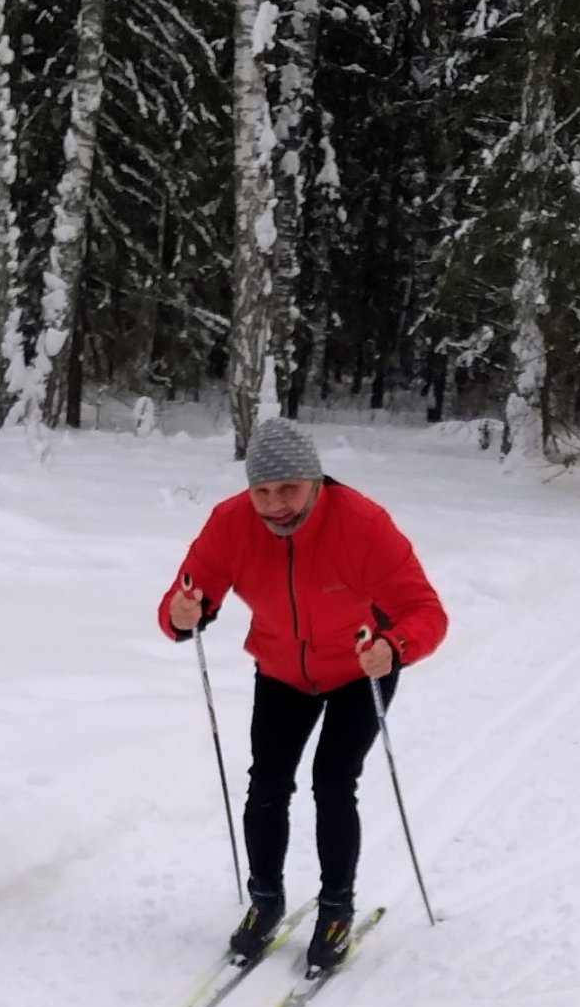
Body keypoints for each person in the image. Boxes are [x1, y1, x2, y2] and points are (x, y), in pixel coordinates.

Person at [158, 416, 447, 973]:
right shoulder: (231, 522)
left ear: (316, 481)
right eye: (261, 491)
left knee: (332, 782)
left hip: (361, 668)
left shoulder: (362, 523)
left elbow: (426, 612)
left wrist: (396, 644)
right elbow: (188, 595)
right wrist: (181, 612)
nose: (274, 505)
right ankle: (265, 902)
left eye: (288, 488)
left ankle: (336, 907)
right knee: (266, 782)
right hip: (282, 669)